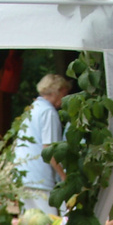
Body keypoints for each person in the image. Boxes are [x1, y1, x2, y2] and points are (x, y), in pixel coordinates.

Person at [15, 74, 70, 215]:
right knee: (47, 224)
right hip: (39, 178)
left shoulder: (33, 108)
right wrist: (64, 176)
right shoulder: (48, 112)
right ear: (55, 92)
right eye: (63, 93)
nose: (64, 99)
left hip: (23, 175)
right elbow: (49, 150)